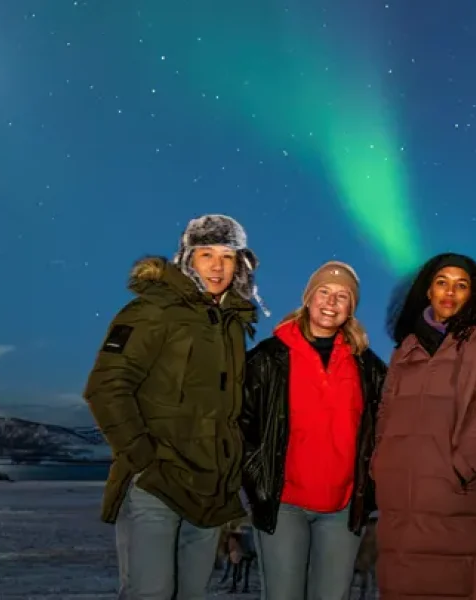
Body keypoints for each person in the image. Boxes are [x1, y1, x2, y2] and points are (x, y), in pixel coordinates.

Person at [84, 214, 265, 600]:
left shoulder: (232, 322)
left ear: (240, 264)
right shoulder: (153, 309)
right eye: (206, 254)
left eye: (228, 256)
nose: (218, 266)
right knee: (150, 592)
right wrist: (144, 457)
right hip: (157, 484)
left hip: (209, 491)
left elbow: (226, 410)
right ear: (188, 258)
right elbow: (106, 387)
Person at [240, 261, 387, 600]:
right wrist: (256, 479)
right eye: (324, 292)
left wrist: (372, 487)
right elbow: (242, 423)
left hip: (342, 508)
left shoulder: (367, 365)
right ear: (308, 297)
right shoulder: (268, 358)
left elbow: (384, 428)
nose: (331, 302)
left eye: (342, 296)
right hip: (284, 503)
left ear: (351, 309)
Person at [372, 253, 476, 600]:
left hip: (455, 498)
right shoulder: (406, 349)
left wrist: (460, 469)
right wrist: (380, 464)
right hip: (399, 498)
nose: (449, 292)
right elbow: (386, 411)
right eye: (442, 282)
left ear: (472, 294)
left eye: (461, 285)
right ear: (427, 290)